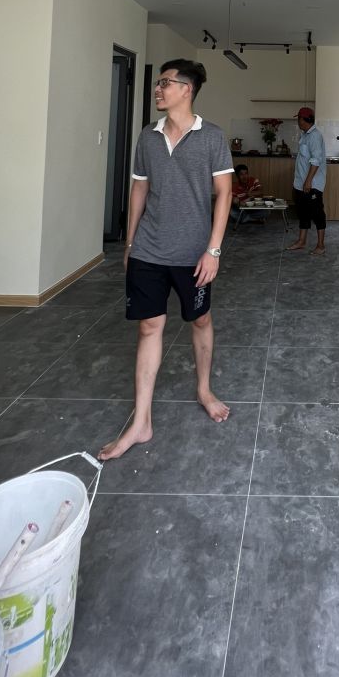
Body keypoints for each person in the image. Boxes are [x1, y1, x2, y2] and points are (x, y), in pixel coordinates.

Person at [98, 59, 234, 461]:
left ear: (186, 89)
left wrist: (213, 250)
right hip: (149, 249)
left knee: (200, 320)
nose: (158, 89)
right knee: (149, 327)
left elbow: (224, 193)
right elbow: (139, 189)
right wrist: (130, 242)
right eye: (158, 84)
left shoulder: (212, 137)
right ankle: (141, 421)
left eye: (165, 83)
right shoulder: (148, 136)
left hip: (193, 254)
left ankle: (204, 389)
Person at [287, 106, 327, 256]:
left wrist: (308, 181)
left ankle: (321, 245)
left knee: (317, 213)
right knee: (303, 212)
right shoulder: (305, 135)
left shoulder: (315, 136)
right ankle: (301, 241)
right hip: (301, 183)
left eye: (299, 119)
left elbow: (316, 161)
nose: (298, 122)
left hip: (312, 184)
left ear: (305, 120)